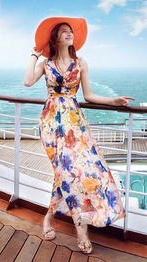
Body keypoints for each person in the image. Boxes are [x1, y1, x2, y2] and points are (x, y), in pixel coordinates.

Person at [23, 17, 135, 254]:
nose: (69, 34)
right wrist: (34, 54)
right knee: (66, 171)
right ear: (55, 38)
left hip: (75, 123)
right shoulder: (45, 63)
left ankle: (49, 218)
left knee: (71, 172)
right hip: (52, 123)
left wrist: (113, 101)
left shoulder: (81, 63)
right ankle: (81, 231)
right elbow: (27, 82)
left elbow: (90, 96)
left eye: (70, 31)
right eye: (63, 31)